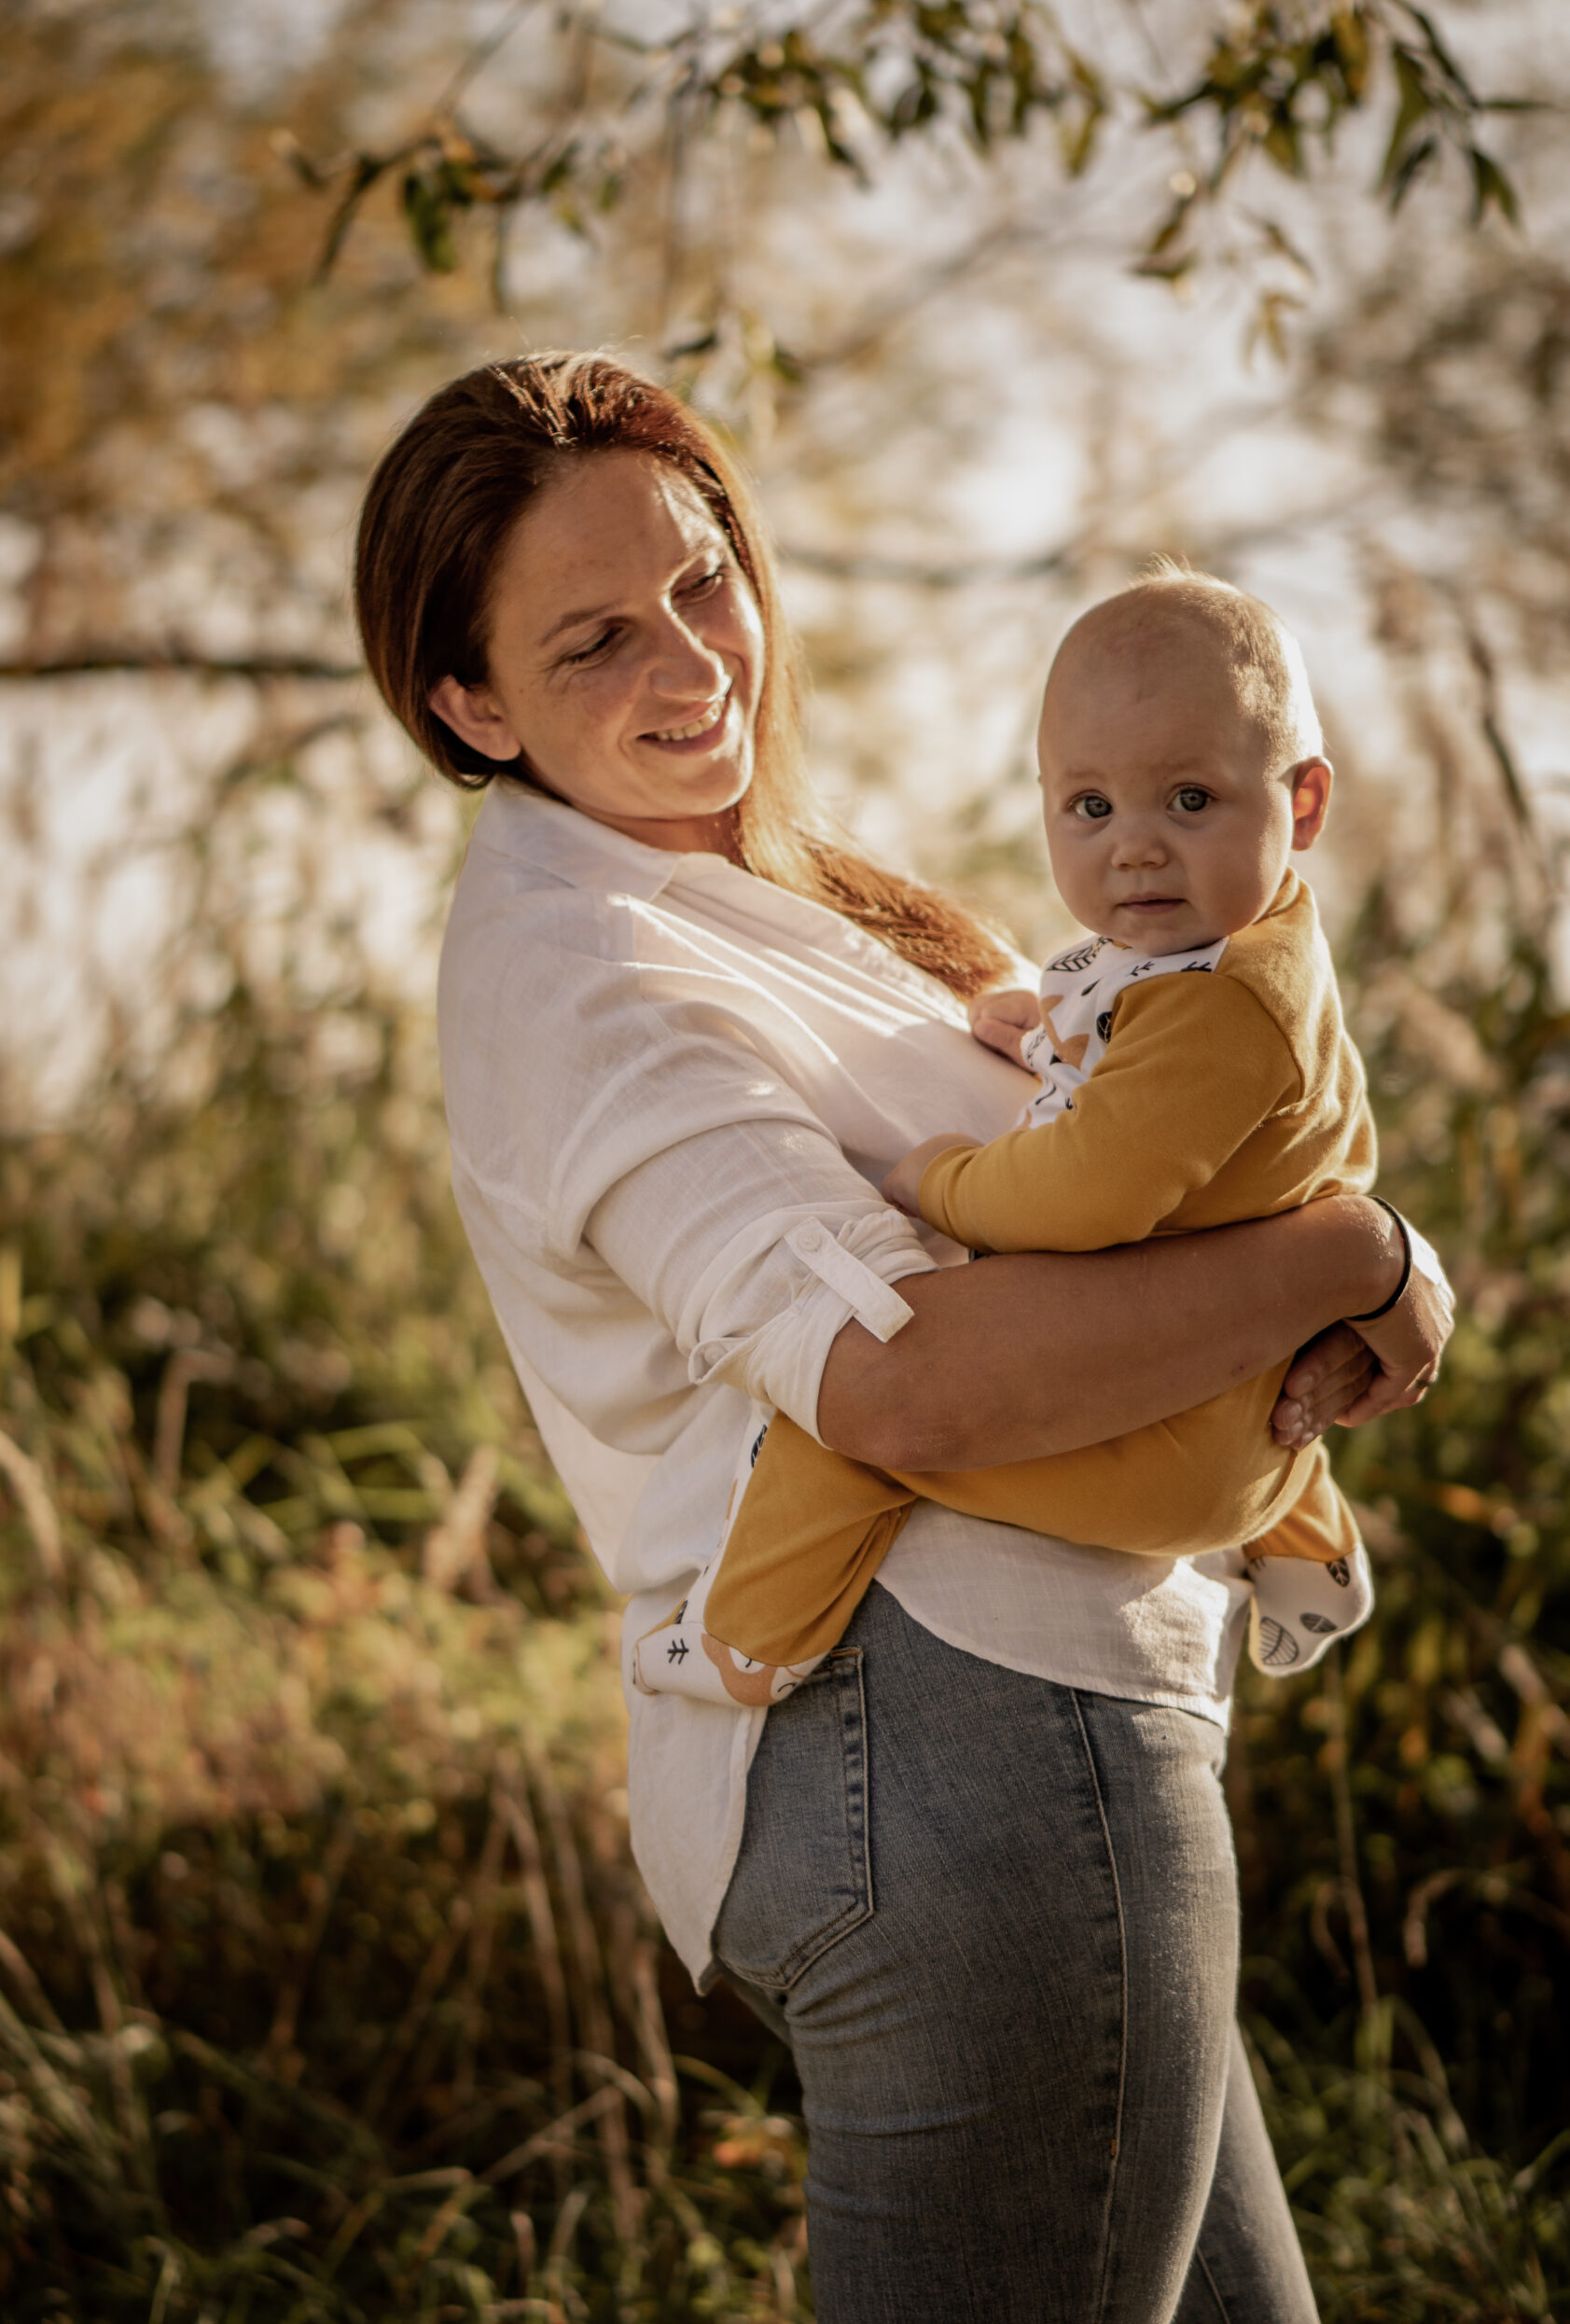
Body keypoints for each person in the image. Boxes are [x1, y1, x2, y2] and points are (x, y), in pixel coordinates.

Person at [354, 351, 1452, 2324]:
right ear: (472, 704)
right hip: (956, 1750)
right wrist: (1342, 1257)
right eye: (594, 639)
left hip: (1038, 1747)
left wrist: (1357, 1262)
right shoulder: (582, 970)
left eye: (702, 581)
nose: (691, 658)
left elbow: (1164, 1127)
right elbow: (902, 1379)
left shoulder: (780, 898)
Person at [647, 565, 1393, 1707]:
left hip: (1169, 1444)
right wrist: (1053, 1037)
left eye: (1190, 799)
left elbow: (1086, 1194)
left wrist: (941, 1180)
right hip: (1236, 1403)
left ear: (1302, 803)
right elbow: (1185, 1106)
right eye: (1091, 808)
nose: (1136, 847)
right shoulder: (1241, 954)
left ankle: (742, 1648)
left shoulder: (1222, 1003)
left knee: (845, 1432)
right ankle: (1302, 1532)